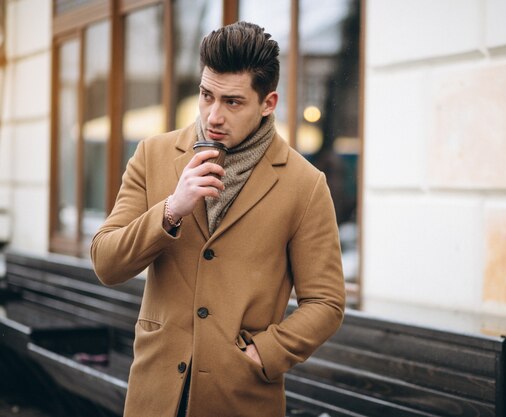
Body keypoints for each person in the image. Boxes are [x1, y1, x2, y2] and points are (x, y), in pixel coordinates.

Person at [91, 21, 345, 417]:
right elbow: (106, 263)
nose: (213, 115)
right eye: (206, 95)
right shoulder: (152, 155)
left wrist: (267, 353)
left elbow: (326, 302)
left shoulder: (305, 185)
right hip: (155, 395)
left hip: (241, 397)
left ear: (268, 103)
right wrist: (172, 209)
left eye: (232, 102)